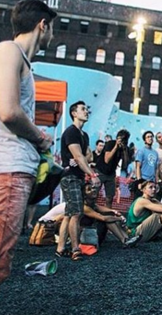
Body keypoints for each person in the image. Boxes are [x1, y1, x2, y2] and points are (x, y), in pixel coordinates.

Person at [0, 0, 56, 290]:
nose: (52, 36)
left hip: (12, 169)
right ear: (42, 25)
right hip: (8, 169)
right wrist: (41, 138)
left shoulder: (19, 59)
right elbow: (8, 111)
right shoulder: (9, 50)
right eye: (51, 28)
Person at [56, 101, 100, 261]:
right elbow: (80, 156)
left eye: (87, 109)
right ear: (74, 113)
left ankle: (60, 248)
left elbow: (88, 155)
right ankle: (75, 249)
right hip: (70, 177)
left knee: (69, 214)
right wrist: (92, 174)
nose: (87, 111)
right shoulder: (71, 132)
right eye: (83, 109)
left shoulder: (84, 135)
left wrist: (81, 159)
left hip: (78, 176)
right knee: (76, 213)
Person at [95, 129, 131, 208]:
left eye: (125, 140)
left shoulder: (125, 149)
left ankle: (107, 214)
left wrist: (124, 150)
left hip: (111, 173)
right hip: (100, 171)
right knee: (94, 194)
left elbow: (125, 164)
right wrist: (116, 146)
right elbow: (107, 159)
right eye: (122, 139)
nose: (124, 141)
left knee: (110, 197)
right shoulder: (110, 144)